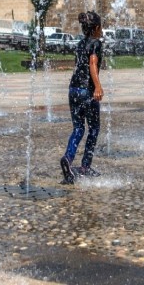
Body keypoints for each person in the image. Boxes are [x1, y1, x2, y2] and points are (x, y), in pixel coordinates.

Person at [60, 11, 104, 185]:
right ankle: (85, 166)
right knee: (93, 129)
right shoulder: (96, 43)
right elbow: (92, 64)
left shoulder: (79, 44)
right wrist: (98, 87)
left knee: (78, 128)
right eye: (101, 27)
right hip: (87, 92)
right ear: (97, 28)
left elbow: (79, 66)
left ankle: (68, 158)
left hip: (73, 90)